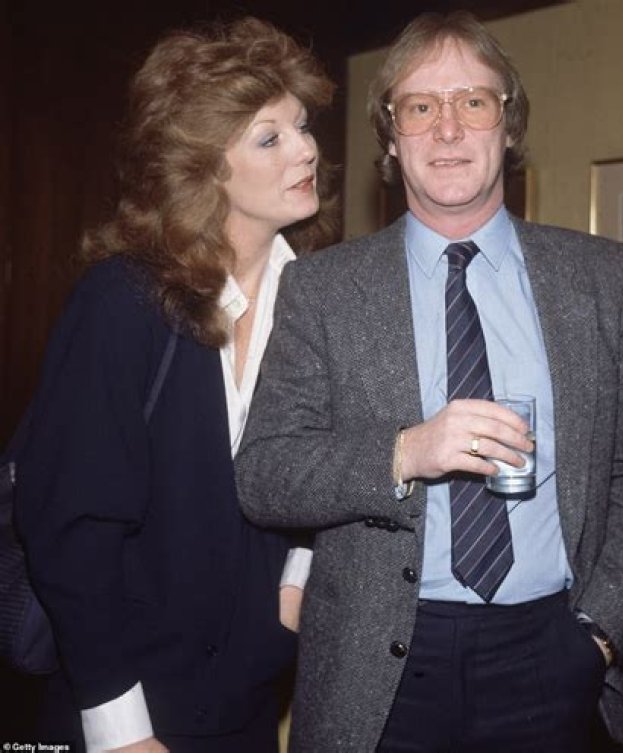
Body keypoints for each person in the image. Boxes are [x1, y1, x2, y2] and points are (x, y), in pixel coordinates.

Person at [234, 10, 623, 753]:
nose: (447, 128)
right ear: (391, 136)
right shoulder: (323, 289)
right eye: (419, 106)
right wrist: (405, 451)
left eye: (473, 101)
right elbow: (264, 474)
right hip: (374, 673)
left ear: (508, 125)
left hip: (551, 652)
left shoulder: (599, 278)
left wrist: (597, 635)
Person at [14, 16, 335, 753]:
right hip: (118, 711)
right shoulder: (124, 302)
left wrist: (296, 579)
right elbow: (71, 528)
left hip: (246, 709)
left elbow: (324, 465)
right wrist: (119, 726)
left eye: (302, 125)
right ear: (202, 167)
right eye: (269, 138)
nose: (306, 148)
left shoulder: (318, 300)